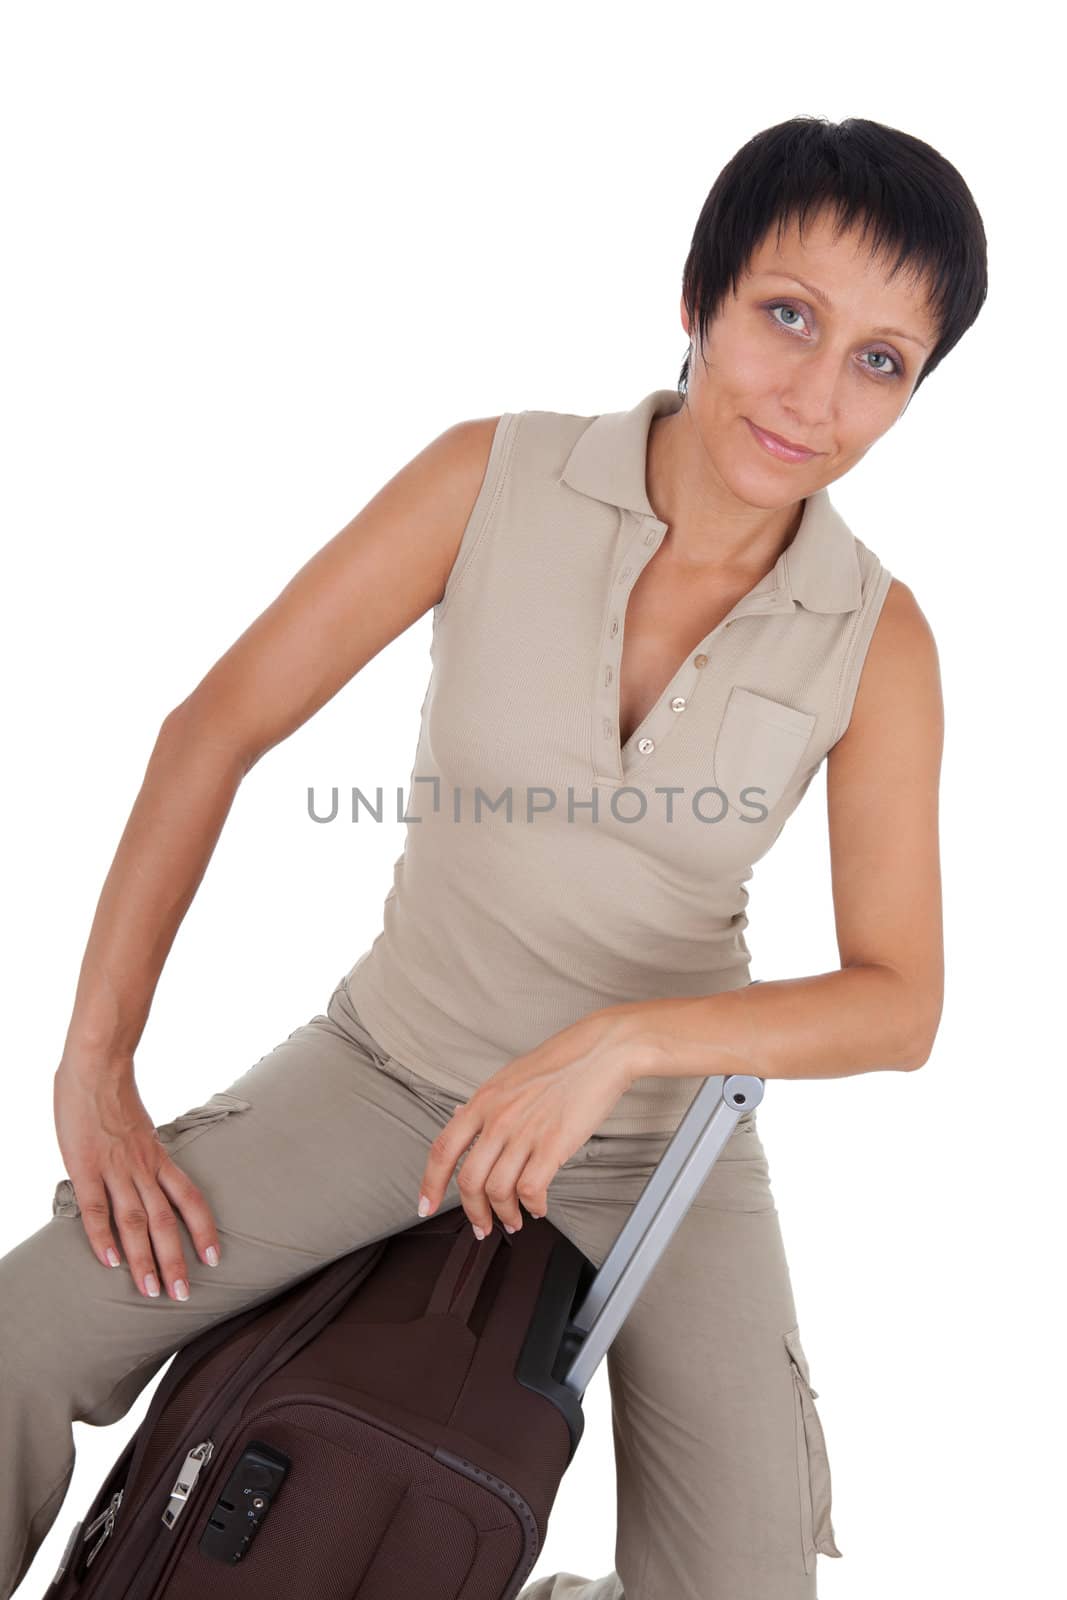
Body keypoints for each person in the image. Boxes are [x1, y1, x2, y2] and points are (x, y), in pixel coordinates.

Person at [0, 112, 981, 1599]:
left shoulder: (879, 638)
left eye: (881, 360)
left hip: (653, 1149)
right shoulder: (493, 479)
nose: (817, 394)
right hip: (387, 1069)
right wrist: (95, 1065)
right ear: (696, 299)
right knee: (20, 1338)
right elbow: (215, 727)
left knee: (750, 1586)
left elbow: (899, 1000)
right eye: (790, 315)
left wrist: (623, 1043)